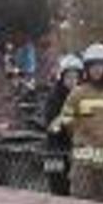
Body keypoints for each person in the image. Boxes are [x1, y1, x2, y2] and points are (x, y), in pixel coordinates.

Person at [51, 44, 103, 202]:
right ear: (86, 68)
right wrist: (81, 136)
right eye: (92, 65)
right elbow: (66, 121)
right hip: (83, 162)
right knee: (80, 201)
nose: (96, 69)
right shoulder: (77, 93)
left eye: (100, 65)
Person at [42, 54, 83, 195]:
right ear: (62, 77)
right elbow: (52, 126)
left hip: (75, 149)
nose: (73, 81)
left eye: (76, 78)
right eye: (69, 77)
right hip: (54, 150)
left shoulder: (81, 97)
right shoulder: (54, 98)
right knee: (56, 188)